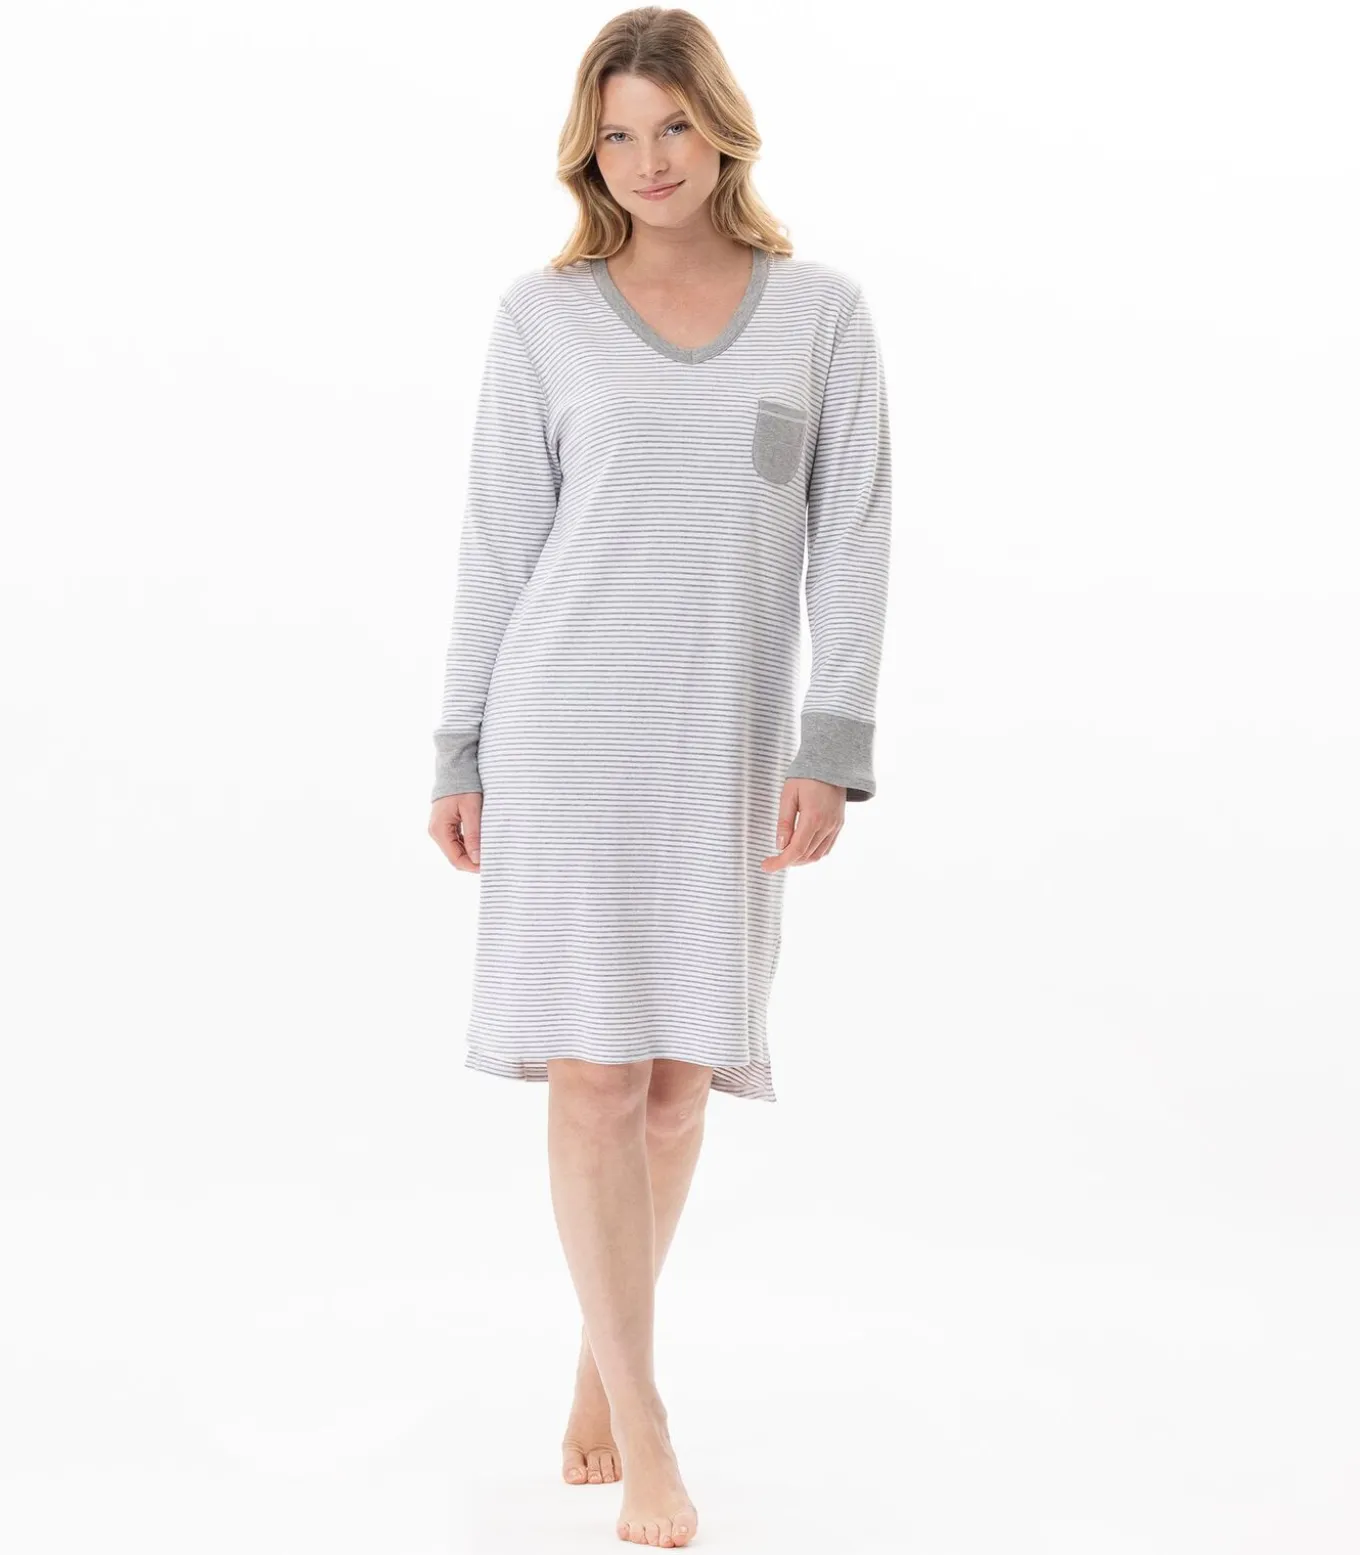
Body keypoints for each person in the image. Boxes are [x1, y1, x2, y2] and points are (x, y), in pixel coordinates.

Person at [427, 8, 892, 1546]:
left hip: (727, 746)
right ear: (590, 153)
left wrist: (834, 743)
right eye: (619, 135)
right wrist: (458, 745)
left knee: (681, 1087)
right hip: (565, 732)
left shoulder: (819, 315)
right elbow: (500, 540)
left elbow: (853, 538)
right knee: (596, 1076)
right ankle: (647, 1422)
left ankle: (596, 1357)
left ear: (722, 128)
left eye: (673, 126)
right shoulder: (544, 318)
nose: (649, 160)